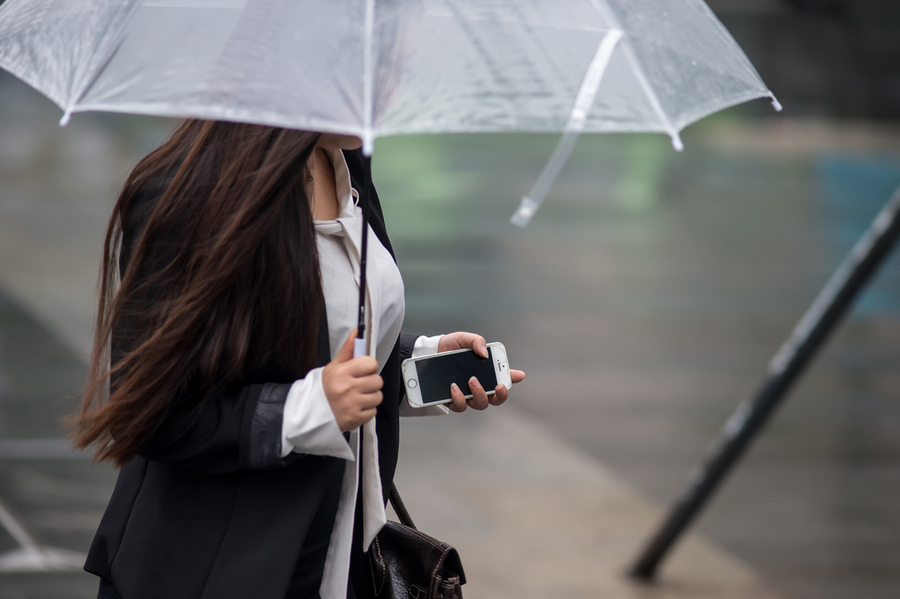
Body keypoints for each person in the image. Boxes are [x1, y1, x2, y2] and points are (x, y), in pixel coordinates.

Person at [72, 120, 524, 599]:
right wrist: (311, 409)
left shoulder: (344, 159)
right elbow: (149, 409)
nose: (377, 93)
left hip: (342, 551)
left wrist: (416, 363)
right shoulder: (190, 194)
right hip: (219, 567)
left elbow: (322, 333)